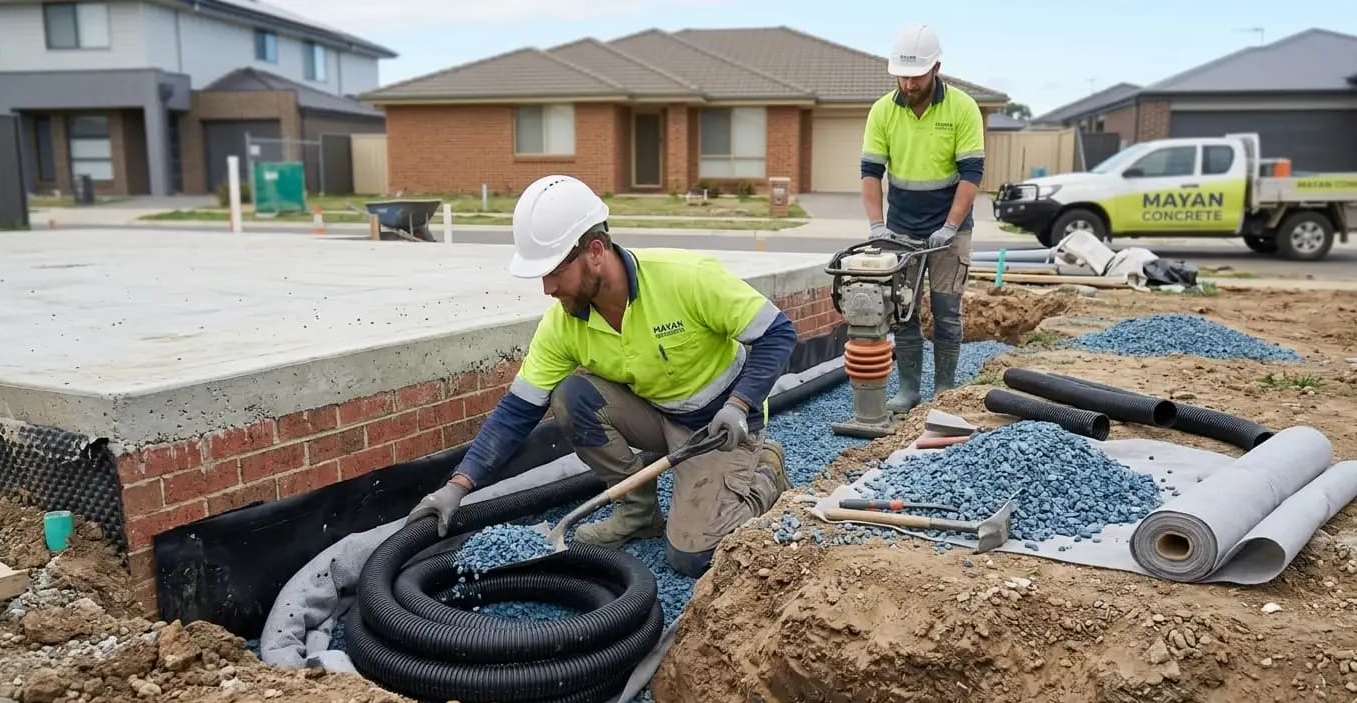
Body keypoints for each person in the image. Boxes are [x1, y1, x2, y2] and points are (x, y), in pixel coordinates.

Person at [406, 174, 796, 578]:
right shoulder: (563, 324)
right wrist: (458, 486)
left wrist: (739, 404)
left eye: (555, 271)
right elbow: (517, 410)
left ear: (595, 251)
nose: (547, 287)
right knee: (570, 397)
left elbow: (778, 332)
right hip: (658, 414)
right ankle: (639, 512)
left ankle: (766, 468)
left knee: (690, 557)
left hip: (720, 425)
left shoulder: (685, 277)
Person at [860, 23, 985, 414]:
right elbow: (870, 172)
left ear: (936, 69)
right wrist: (877, 227)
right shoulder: (883, 110)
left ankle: (945, 390)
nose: (909, 84)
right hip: (901, 229)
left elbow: (971, 174)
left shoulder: (962, 108)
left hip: (950, 227)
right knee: (904, 311)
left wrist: (949, 226)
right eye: (902, 75)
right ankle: (909, 389)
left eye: (916, 76)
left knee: (947, 311)